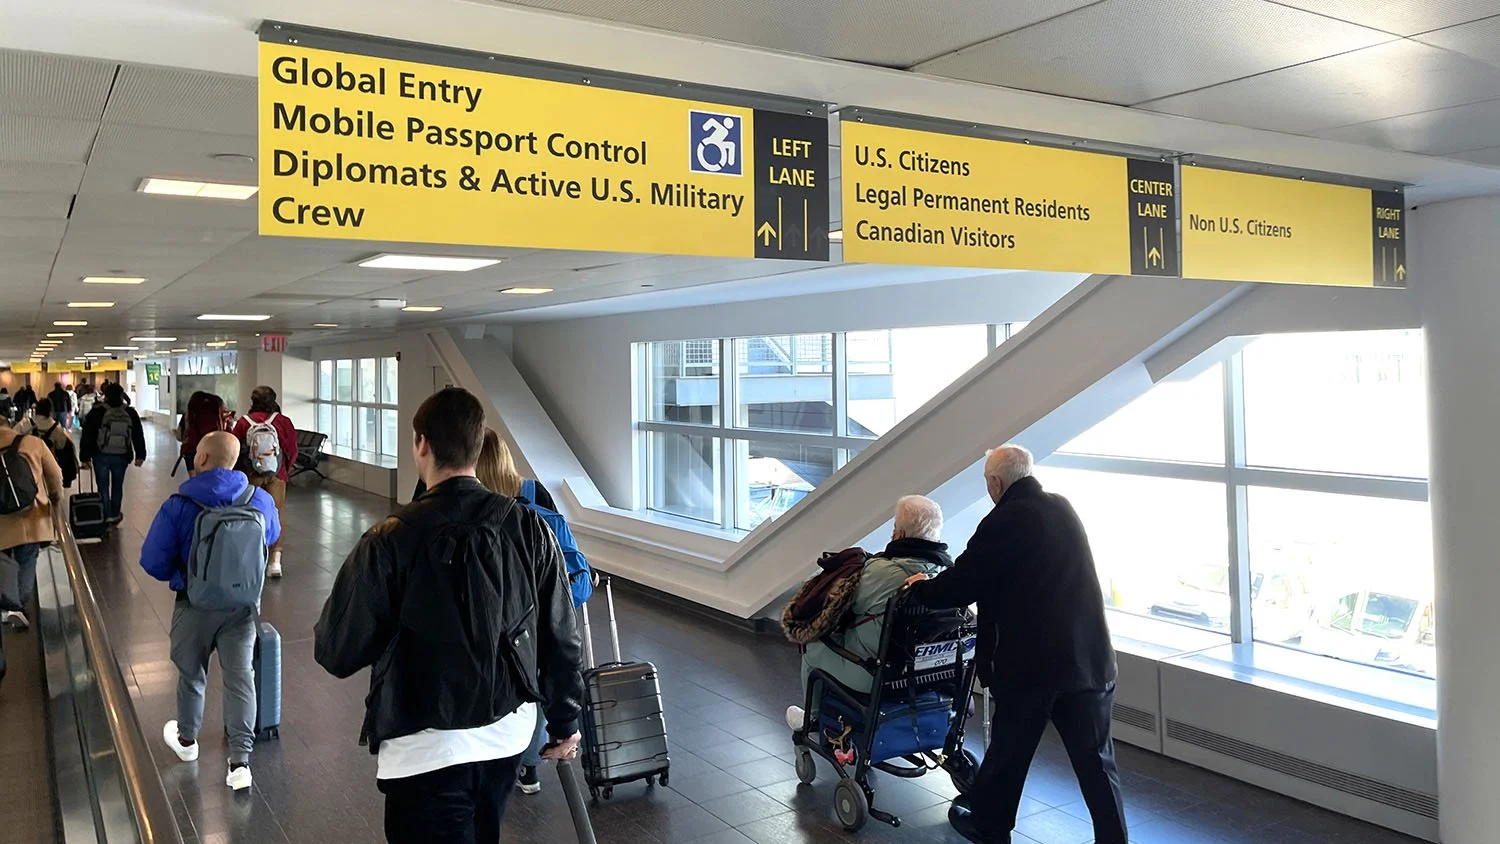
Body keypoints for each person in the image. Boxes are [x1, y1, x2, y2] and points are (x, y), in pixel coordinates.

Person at [313, 387, 585, 844]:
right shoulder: (531, 528)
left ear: (422, 443)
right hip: (508, 735)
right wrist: (565, 722)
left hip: (423, 747)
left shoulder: (389, 538)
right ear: (478, 448)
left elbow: (336, 651)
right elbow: (561, 634)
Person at [904, 445, 1126, 844]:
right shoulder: (1063, 508)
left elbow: (963, 583)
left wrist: (922, 589)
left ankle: (989, 827)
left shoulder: (1004, 521)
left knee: (1010, 752)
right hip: (1090, 659)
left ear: (995, 482)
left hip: (1033, 667)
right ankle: (1114, 838)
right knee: (1097, 762)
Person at [139, 431, 280, 791]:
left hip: (194, 604)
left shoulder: (179, 504)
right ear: (234, 461)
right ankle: (240, 763)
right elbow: (270, 536)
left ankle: (187, 741)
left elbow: (152, 561)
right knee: (240, 678)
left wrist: (187, 575)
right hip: (242, 607)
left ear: (201, 459)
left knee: (191, 674)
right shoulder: (259, 499)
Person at [472, 428, 592, 797]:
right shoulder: (533, 491)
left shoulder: (474, 502)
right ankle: (529, 767)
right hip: (540, 612)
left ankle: (493, 761)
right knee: (538, 682)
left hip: (495, 615)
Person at [783, 494, 953, 731]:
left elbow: (847, 605)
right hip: (928, 677)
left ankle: (811, 719)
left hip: (875, 675)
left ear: (899, 533)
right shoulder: (948, 574)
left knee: (813, 649)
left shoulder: (883, 571)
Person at [0, 410, 63, 661]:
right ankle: (18, 603)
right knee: (27, 559)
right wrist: (55, 500)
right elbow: (55, 476)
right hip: (32, 518)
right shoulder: (32, 443)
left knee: (4, 561)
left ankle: (6, 602)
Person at [232, 386, 296, 579]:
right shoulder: (283, 421)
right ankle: (275, 562)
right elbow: (292, 448)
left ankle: (252, 557)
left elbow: (234, 448)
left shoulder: (244, 422)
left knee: (249, 513)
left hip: (251, 475)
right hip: (277, 474)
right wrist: (285, 469)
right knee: (276, 514)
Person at [80, 383, 146, 525]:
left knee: (103, 485)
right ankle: (115, 514)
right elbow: (138, 434)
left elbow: (88, 435)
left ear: (106, 396)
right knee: (118, 485)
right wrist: (140, 454)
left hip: (101, 454)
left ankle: (106, 514)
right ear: (122, 395)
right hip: (122, 455)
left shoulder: (97, 412)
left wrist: (84, 457)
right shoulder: (130, 412)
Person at [18, 399, 78, 489]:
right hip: (49, 467)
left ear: (37, 410)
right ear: (50, 411)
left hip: (28, 467)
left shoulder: (25, 424)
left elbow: (13, 439)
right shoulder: (57, 428)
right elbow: (64, 448)